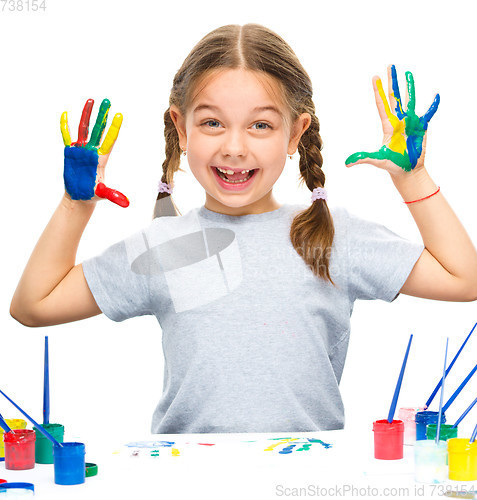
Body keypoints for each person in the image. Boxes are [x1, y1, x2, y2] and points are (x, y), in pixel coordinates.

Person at [10, 24, 477, 434]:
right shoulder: (169, 245)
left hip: (303, 481)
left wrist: (413, 177)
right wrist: (76, 205)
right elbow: (34, 306)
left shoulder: (330, 238)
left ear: (295, 134)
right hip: (187, 483)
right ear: (181, 126)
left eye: (260, 125)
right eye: (212, 122)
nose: (234, 147)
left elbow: (464, 280)